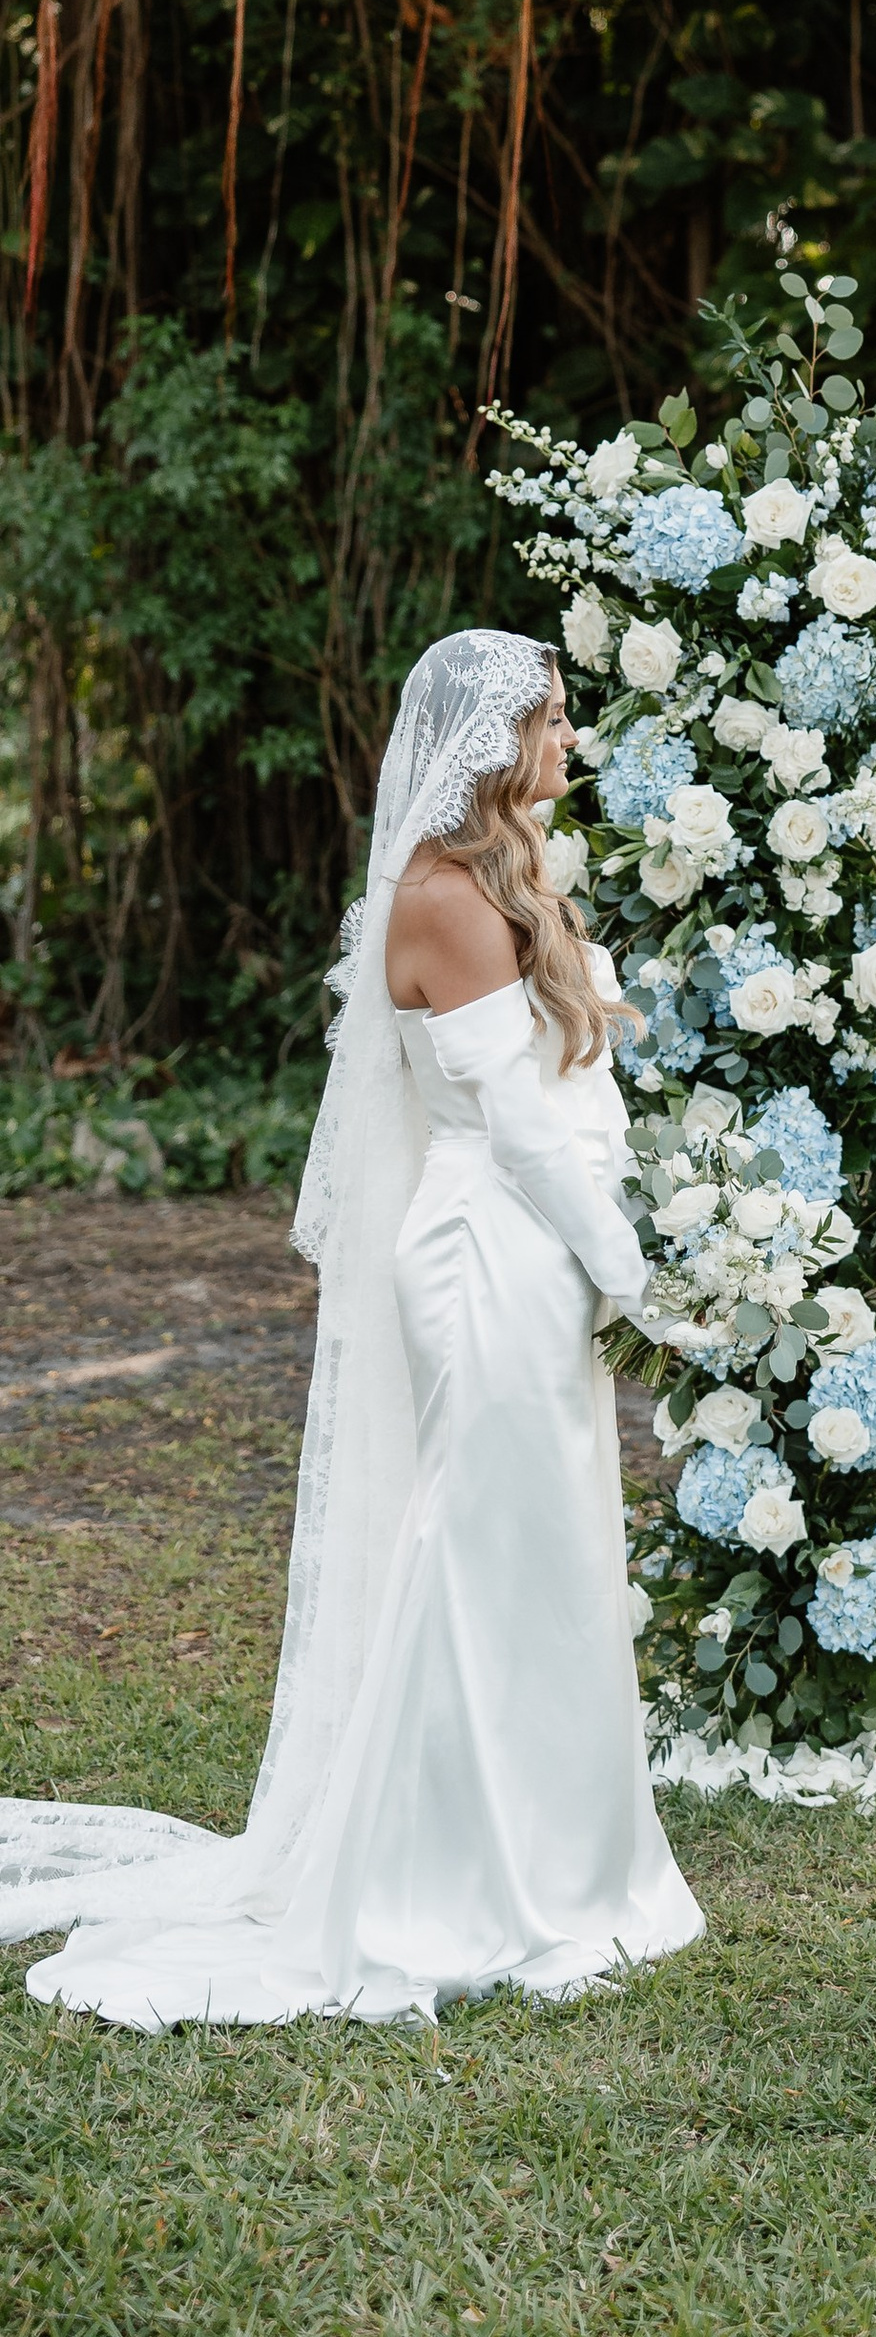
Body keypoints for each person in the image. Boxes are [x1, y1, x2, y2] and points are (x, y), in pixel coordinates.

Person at [0, 629, 703, 2027]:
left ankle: (561, 1864)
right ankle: (441, 1878)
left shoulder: (513, 877)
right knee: (477, 1552)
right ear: (489, 744)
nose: (571, 743)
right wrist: (646, 1277)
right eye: (553, 723)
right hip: (492, 1248)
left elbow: (568, 1080)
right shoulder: (441, 897)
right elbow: (517, 1126)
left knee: (549, 1552)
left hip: (542, 1248)